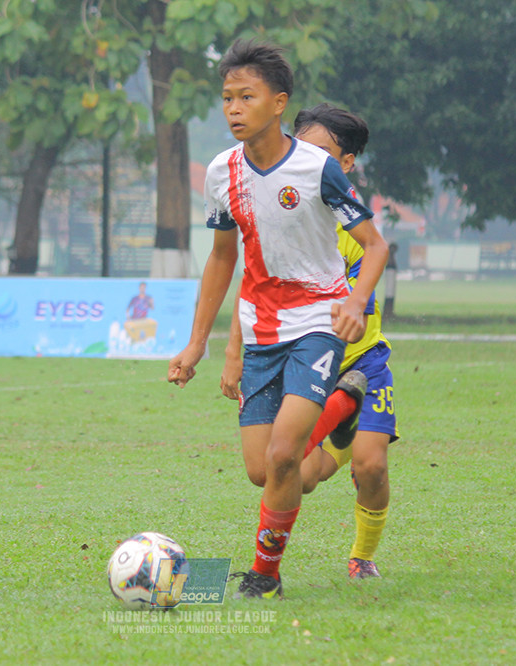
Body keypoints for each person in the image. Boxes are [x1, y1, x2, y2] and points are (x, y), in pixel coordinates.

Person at [168, 41, 389, 599]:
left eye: (247, 96)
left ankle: (263, 577)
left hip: (317, 319)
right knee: (263, 472)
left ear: (278, 103)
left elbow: (375, 245)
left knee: (287, 453)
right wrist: (198, 344)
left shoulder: (317, 169)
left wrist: (352, 301)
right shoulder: (221, 172)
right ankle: (344, 405)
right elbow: (222, 258)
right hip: (262, 328)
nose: (234, 108)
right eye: (226, 98)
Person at [220, 103, 399, 580]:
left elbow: (369, 264)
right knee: (294, 474)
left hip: (359, 357)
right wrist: (233, 350)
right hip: (296, 352)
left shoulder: (349, 222)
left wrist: (355, 305)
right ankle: (339, 417)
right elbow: (256, 281)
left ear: (344, 164)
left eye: (322, 152)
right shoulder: (279, 207)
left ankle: (361, 557)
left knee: (371, 466)